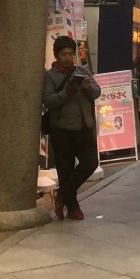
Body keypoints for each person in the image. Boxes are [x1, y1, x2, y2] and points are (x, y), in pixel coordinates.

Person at [42, 35, 102, 220]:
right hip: (62, 129)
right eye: (64, 54)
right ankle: (73, 206)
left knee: (90, 163)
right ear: (56, 55)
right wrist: (68, 91)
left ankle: (61, 195)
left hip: (84, 126)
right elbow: (48, 100)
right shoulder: (50, 76)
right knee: (65, 169)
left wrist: (86, 87)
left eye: (71, 54)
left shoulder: (82, 71)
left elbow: (97, 92)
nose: (68, 58)